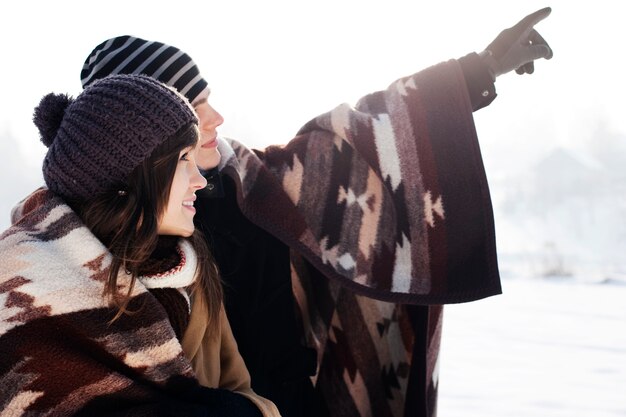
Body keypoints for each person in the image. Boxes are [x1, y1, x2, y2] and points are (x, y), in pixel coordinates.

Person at [21, 7, 552, 417]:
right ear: (141, 137)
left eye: (207, 100)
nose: (216, 117)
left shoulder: (249, 182)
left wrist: (475, 74)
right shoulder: (77, 253)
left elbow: (356, 141)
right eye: (194, 107)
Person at [0, 74, 281, 416]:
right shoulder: (21, 290)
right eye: (182, 159)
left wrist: (244, 410)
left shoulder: (191, 268)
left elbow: (239, 386)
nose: (200, 179)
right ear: (129, 174)